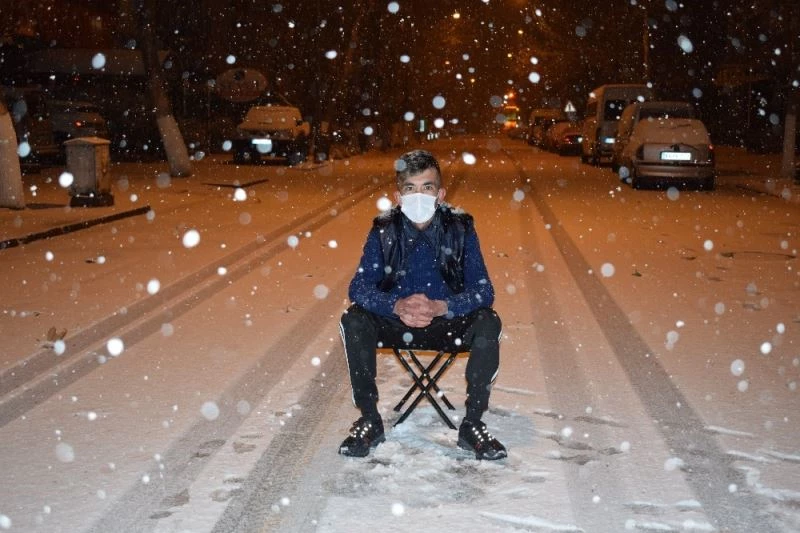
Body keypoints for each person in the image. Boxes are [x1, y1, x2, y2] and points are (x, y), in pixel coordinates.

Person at [338, 149, 506, 460]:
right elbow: (358, 287)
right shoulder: (384, 230)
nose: (419, 196)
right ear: (398, 196)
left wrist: (443, 306)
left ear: (440, 194)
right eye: (410, 188)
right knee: (354, 318)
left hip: (447, 324)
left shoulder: (460, 228)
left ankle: (473, 424)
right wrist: (396, 305)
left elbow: (484, 291)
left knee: (488, 320)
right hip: (396, 323)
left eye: (427, 187)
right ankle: (370, 420)